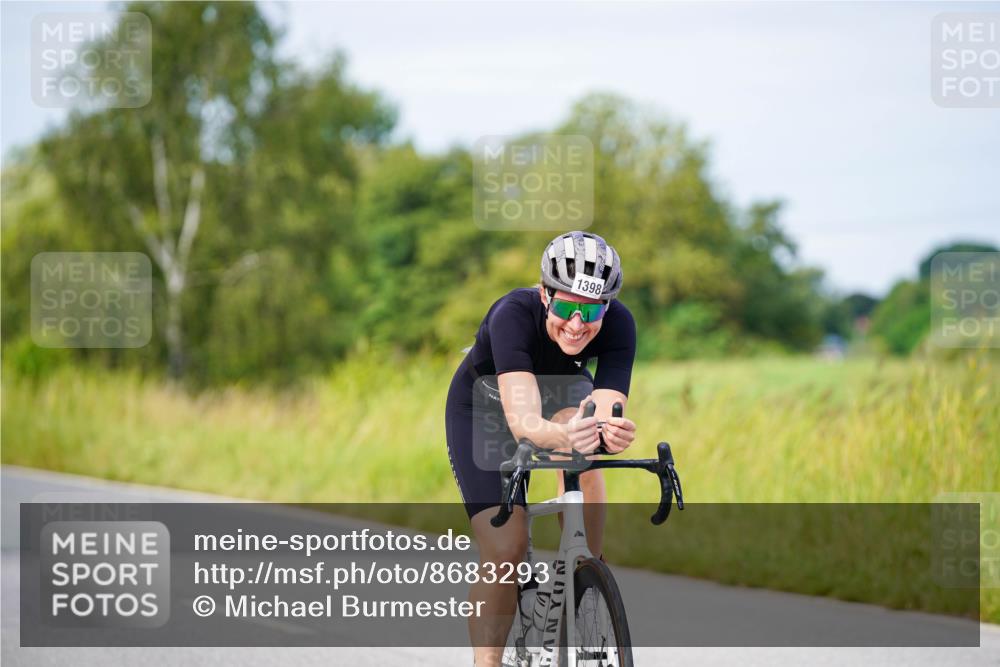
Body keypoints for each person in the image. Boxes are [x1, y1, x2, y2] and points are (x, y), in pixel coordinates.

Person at [445, 230, 637, 666]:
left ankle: (588, 570)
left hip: (560, 393)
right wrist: (569, 436)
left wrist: (611, 433)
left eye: (591, 310)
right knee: (505, 549)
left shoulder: (620, 324)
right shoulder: (512, 314)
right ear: (544, 294)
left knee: (587, 448)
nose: (577, 323)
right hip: (487, 410)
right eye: (567, 306)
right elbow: (525, 423)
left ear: (607, 306)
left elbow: (605, 409)